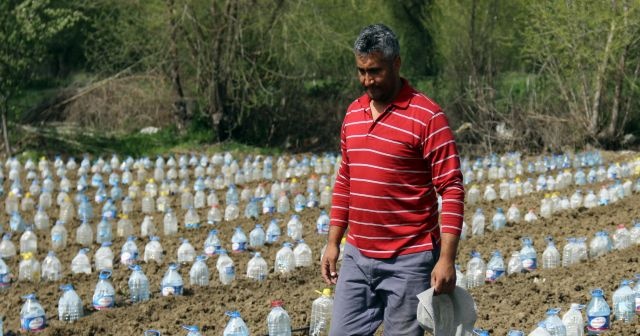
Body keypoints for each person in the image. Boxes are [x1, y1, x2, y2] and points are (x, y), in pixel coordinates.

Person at [321, 24, 465, 335]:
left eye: (375, 71)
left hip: (409, 260)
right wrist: (334, 242)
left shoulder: (427, 116)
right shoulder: (352, 114)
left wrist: (447, 259)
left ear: (396, 64)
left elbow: (451, 187)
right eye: (361, 71)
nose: (367, 80)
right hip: (358, 256)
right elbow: (346, 178)